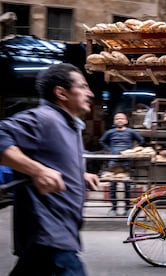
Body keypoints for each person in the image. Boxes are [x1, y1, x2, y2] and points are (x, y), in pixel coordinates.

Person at [0, 63, 100, 276]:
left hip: (52, 236)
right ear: (61, 92)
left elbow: (52, 159)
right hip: (49, 232)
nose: (90, 93)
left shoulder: (69, 124)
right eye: (82, 87)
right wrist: (37, 171)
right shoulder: (45, 118)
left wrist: (79, 175)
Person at [99, 112, 145, 216]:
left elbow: (141, 140)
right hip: (113, 161)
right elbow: (101, 141)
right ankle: (114, 208)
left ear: (126, 121)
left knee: (127, 185)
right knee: (113, 185)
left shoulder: (131, 132)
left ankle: (127, 208)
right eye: (117, 118)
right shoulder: (110, 132)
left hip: (126, 160)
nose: (119, 120)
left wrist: (134, 150)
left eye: (121, 118)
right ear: (114, 121)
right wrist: (109, 150)